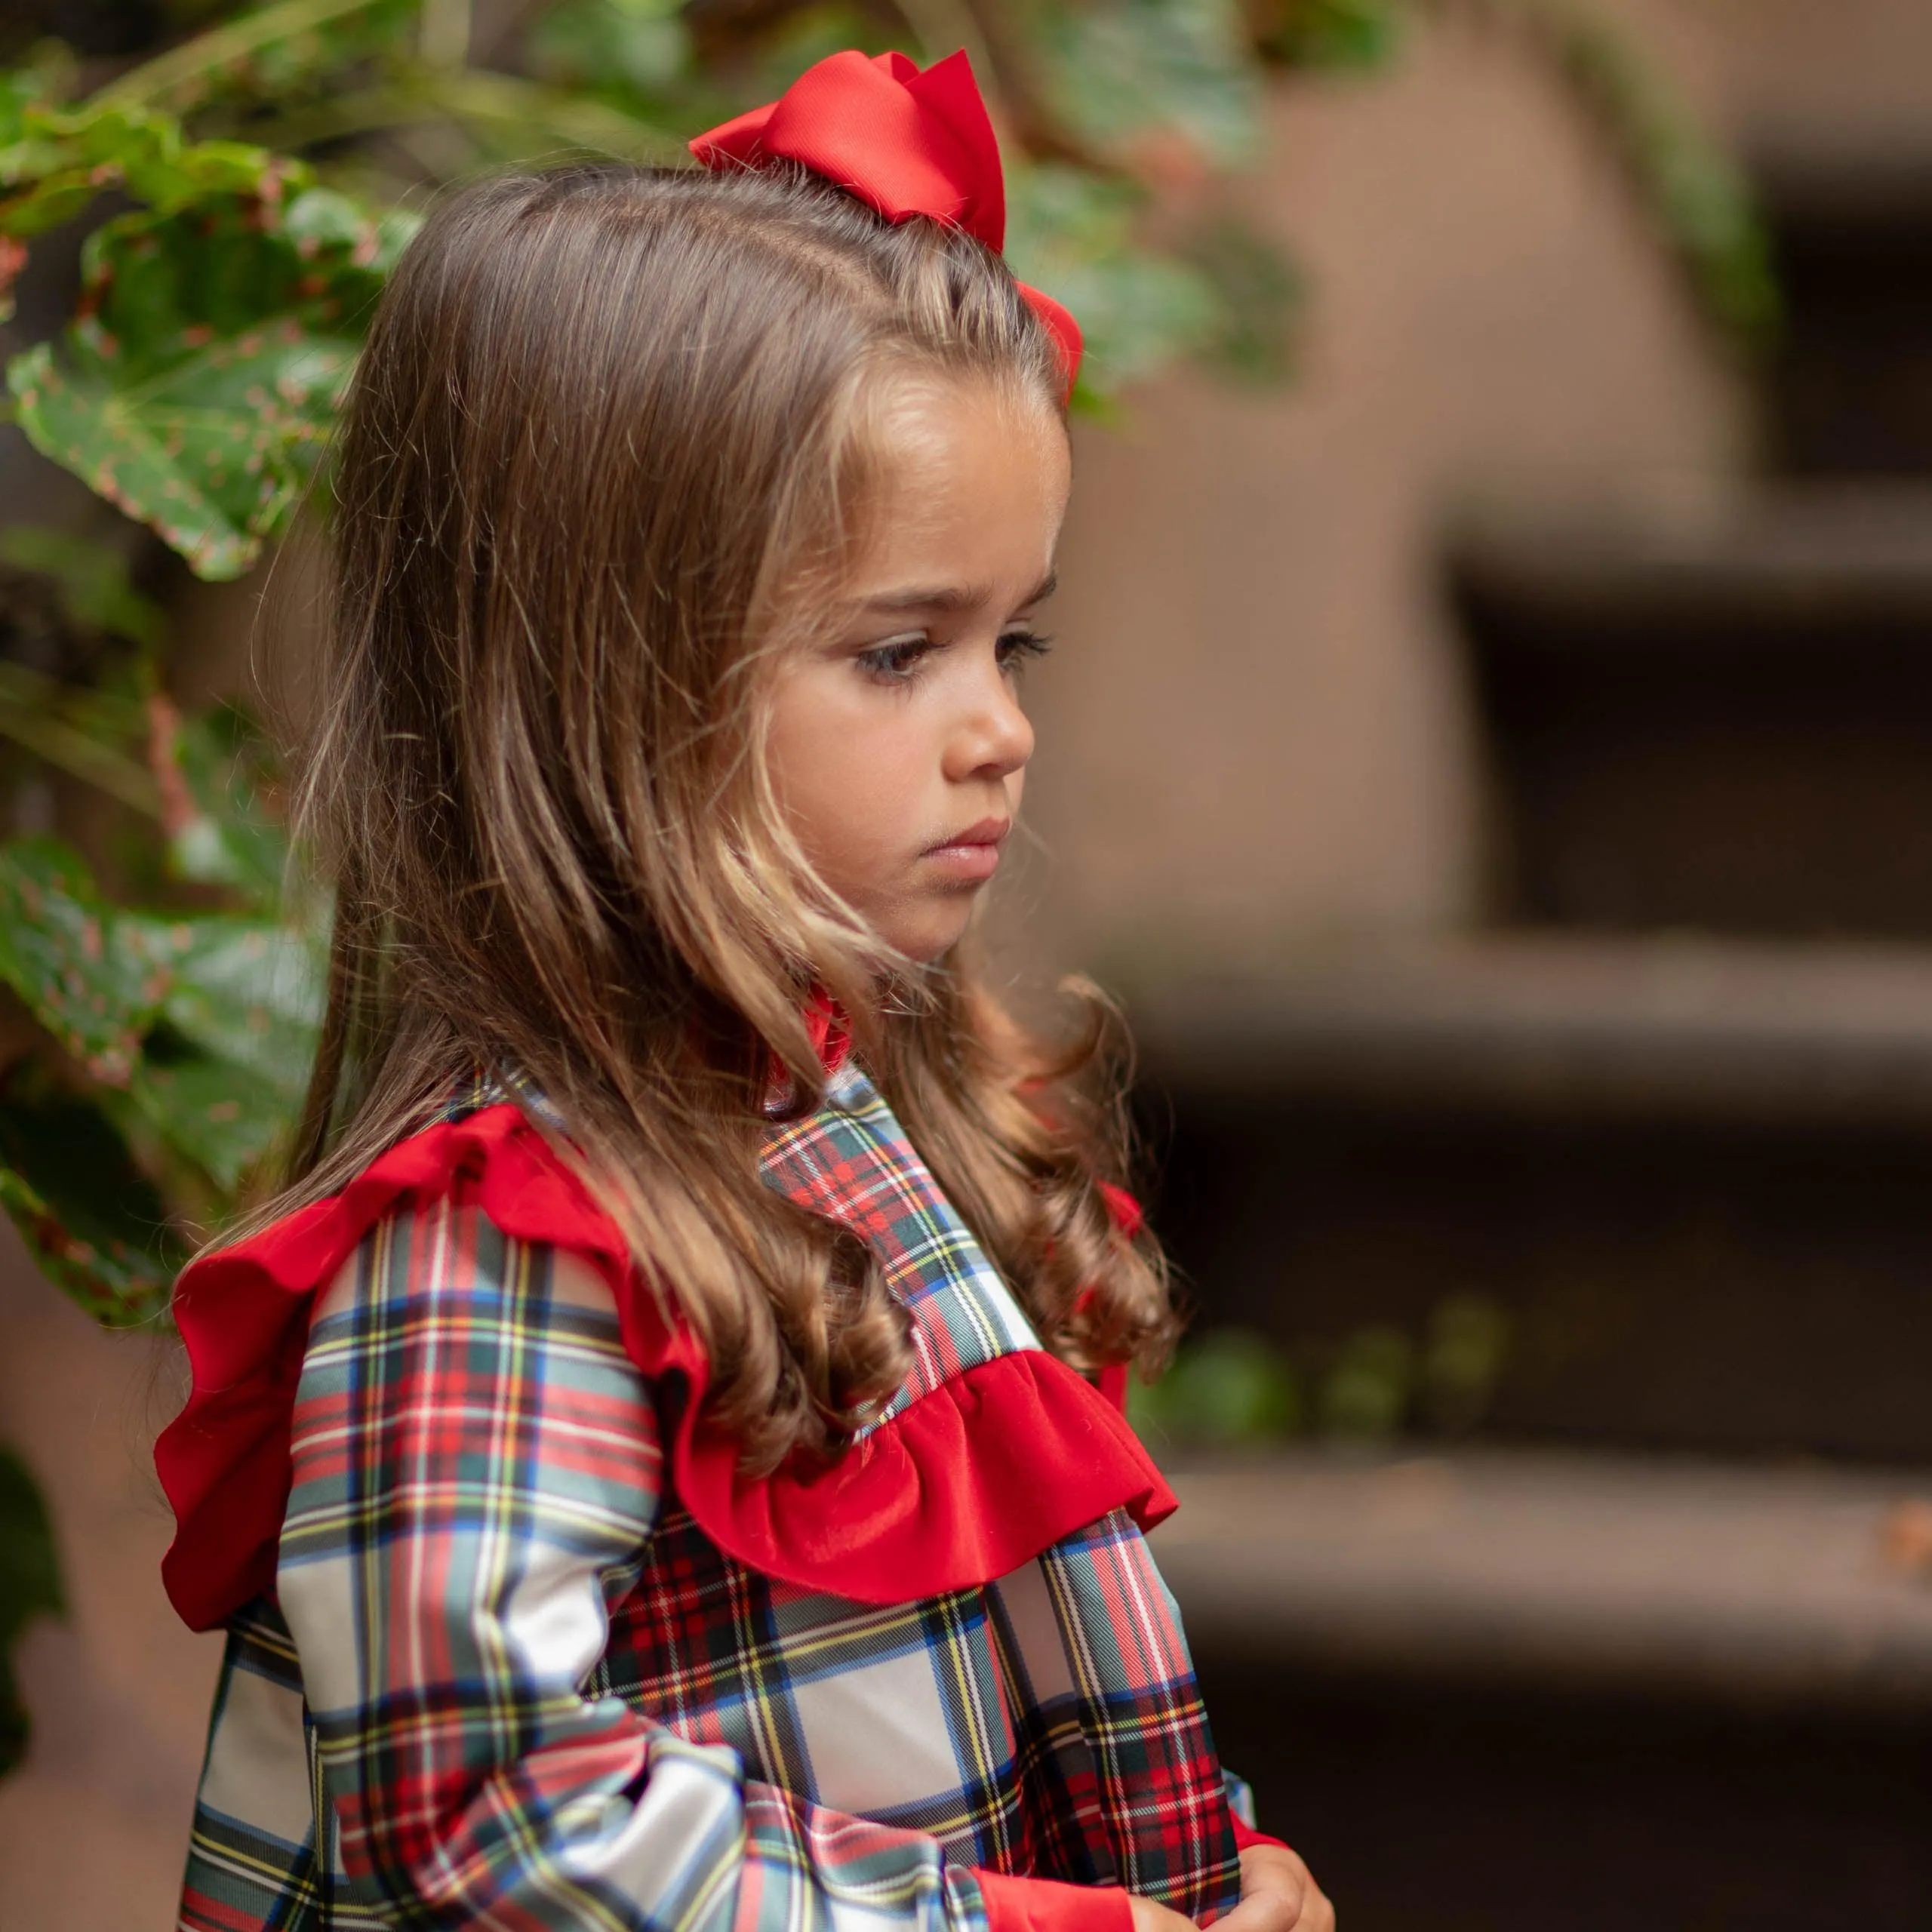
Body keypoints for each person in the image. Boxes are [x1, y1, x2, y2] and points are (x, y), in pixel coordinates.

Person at [156, 48, 1334, 1932]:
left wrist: (1210, 1862)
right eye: (897, 651)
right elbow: (495, 1817)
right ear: (608, 685)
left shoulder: (850, 1121)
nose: (1000, 731)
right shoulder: (509, 1239)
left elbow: (994, 1653)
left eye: (1008, 636)